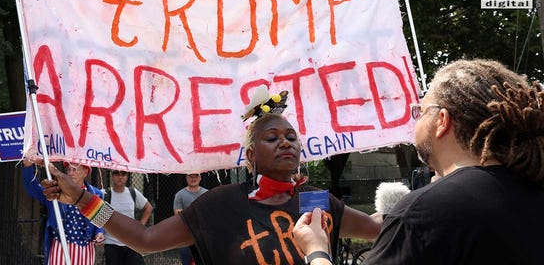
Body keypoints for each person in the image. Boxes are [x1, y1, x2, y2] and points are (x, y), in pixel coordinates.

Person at [39, 90, 381, 265]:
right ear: (250, 157)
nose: (285, 143)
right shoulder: (220, 203)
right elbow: (143, 240)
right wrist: (84, 200)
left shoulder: (317, 202)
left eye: (291, 137)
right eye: (272, 138)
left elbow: (380, 229)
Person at [294, 59, 544, 264]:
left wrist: (317, 252)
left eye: (420, 111)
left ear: (442, 120)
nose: (415, 121)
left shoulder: (425, 213)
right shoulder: (532, 188)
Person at [21, 160, 105, 265]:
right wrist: (27, 166)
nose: (70, 173)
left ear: (86, 172)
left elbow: (100, 220)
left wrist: (99, 233)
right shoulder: (55, 190)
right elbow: (31, 187)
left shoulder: (95, 193)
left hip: (85, 249)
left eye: (74, 169)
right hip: (59, 246)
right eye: (68, 169)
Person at [104, 170, 153, 265]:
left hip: (132, 242)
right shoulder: (105, 194)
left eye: (123, 174)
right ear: (112, 176)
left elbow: (148, 207)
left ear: (127, 177)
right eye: (116, 174)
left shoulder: (132, 192)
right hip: (111, 243)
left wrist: (141, 224)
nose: (120, 177)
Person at [173, 172, 208, 265]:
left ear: (200, 178)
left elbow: (209, 213)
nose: (193, 179)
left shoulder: (206, 194)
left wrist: (188, 214)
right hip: (185, 234)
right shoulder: (180, 195)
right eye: (190, 177)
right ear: (186, 178)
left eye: (195, 176)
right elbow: (178, 215)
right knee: (186, 260)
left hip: (203, 234)